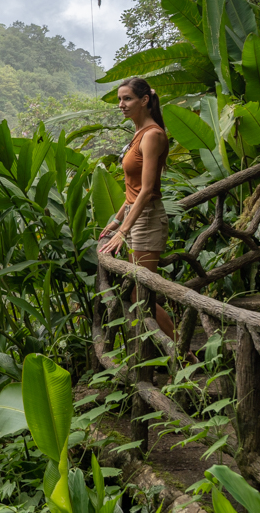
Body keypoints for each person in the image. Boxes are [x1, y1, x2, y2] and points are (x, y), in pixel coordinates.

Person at [97, 76, 175, 340]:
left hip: (147, 219)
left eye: (127, 98)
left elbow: (147, 189)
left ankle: (184, 353)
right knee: (137, 291)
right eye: (119, 99)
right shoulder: (138, 133)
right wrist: (117, 221)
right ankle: (176, 353)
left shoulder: (152, 135)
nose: (121, 104)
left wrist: (124, 228)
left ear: (144, 100)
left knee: (140, 293)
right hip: (135, 217)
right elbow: (132, 189)